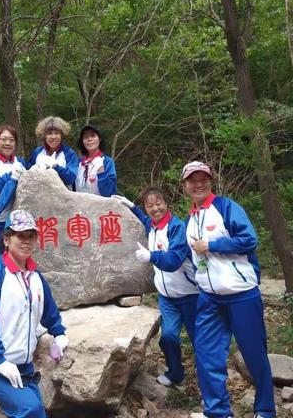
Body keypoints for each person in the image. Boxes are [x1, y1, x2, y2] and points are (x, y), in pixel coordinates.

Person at [181, 161, 276, 418]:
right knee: (207, 356)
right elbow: (185, 256)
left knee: (254, 353)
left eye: (203, 178)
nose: (198, 184)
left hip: (241, 295)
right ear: (185, 186)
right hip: (209, 298)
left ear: (210, 181)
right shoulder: (190, 219)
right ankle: (218, 411)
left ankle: (266, 410)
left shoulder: (226, 207)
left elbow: (249, 240)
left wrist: (212, 245)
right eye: (192, 180)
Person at [0, 209, 69, 418]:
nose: (26, 241)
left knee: (37, 411)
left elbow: (49, 311)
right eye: (20, 236)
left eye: (31, 236)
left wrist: (59, 333)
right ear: (6, 239)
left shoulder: (36, 277)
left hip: (23, 365)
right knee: (30, 410)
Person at [114, 186, 198, 387]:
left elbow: (174, 260)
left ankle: (210, 389)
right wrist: (132, 206)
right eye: (149, 205)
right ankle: (175, 373)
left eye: (158, 203)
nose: (155, 208)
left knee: (201, 343)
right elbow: (145, 220)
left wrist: (151, 256)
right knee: (168, 337)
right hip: (167, 298)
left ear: (166, 204)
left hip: (191, 296)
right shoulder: (153, 226)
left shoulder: (176, 227)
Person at [0, 124, 27, 252]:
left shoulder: (21, 162)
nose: (8, 143)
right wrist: (11, 175)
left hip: (19, 220)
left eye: (11, 140)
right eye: (4, 139)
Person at [29, 116, 78, 190]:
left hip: (64, 198)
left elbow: (71, 179)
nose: (53, 137)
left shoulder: (69, 154)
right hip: (41, 196)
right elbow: (30, 176)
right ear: (44, 136)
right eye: (49, 133)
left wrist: (55, 166)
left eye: (57, 133)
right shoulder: (37, 153)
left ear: (62, 135)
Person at [75, 124, 117, 196]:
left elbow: (110, 193)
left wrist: (101, 173)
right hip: (79, 205)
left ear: (99, 139)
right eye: (85, 137)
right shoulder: (78, 163)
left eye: (93, 136)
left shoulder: (107, 162)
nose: (89, 139)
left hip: (100, 205)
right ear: (82, 141)